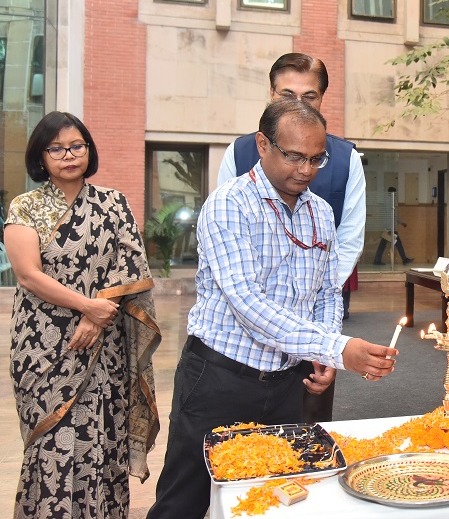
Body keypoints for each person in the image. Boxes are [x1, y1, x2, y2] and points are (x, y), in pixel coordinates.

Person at [148, 100, 396, 519]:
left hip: (287, 384)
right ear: (263, 145)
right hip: (220, 380)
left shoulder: (320, 212)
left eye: (316, 159)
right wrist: (338, 348)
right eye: (295, 156)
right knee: (184, 501)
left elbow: (326, 292)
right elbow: (248, 304)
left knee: (275, 499)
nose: (306, 169)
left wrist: (321, 354)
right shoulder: (229, 205)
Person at [4, 111, 160, 519]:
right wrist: (86, 306)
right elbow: (28, 274)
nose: (69, 155)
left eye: (77, 146)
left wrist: (96, 316)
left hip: (103, 347)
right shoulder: (27, 206)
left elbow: (132, 267)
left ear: (88, 150)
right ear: (41, 157)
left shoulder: (113, 203)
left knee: (102, 439)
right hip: (44, 346)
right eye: (56, 148)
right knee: (50, 444)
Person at [218, 53, 365, 421]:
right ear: (271, 94)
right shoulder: (239, 153)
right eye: (287, 95)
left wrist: (320, 323)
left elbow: (348, 239)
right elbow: (229, 249)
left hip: (314, 324)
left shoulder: (345, 158)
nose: (298, 104)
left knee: (306, 432)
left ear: (322, 98)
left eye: (309, 96)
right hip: (240, 339)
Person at [372, 187, 414, 265]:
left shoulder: (389, 202)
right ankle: (404, 259)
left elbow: (392, 216)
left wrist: (401, 223)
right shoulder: (390, 202)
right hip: (390, 227)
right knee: (398, 243)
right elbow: (389, 216)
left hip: (389, 227)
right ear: (392, 193)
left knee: (383, 244)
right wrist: (389, 228)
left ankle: (377, 260)